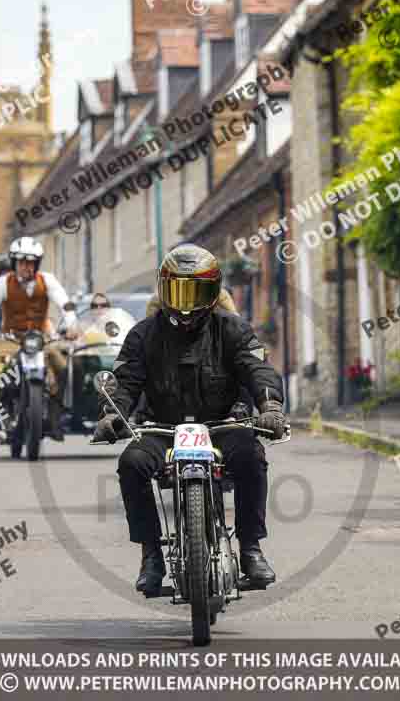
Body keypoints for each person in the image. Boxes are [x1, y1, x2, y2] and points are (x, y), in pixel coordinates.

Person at [93, 244, 286, 596]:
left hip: (223, 425)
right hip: (162, 429)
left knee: (252, 456)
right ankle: (151, 554)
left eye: (194, 292)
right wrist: (112, 416)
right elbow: (125, 381)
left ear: (212, 294)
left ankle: (251, 549)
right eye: (177, 290)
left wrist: (270, 407)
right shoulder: (142, 335)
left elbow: (259, 369)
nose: (184, 304)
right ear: (163, 290)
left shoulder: (234, 330)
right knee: (132, 462)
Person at [0, 237, 77, 441]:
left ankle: (55, 419)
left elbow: (65, 304)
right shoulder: (3, 283)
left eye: (30, 262)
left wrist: (71, 323)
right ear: (14, 263)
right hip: (10, 338)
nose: (26, 267)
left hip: (41, 338)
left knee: (63, 366)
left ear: (36, 264)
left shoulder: (48, 280)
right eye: (22, 262)